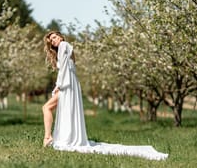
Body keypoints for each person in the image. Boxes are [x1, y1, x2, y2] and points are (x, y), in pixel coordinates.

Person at [42, 31, 168, 160]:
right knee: (55, 109)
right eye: (51, 40)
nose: (54, 41)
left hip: (67, 85)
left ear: (61, 37)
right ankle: (60, 137)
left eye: (55, 37)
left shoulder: (63, 45)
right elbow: (67, 68)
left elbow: (63, 68)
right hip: (70, 84)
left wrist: (59, 86)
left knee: (46, 108)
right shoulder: (68, 48)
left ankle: (48, 137)